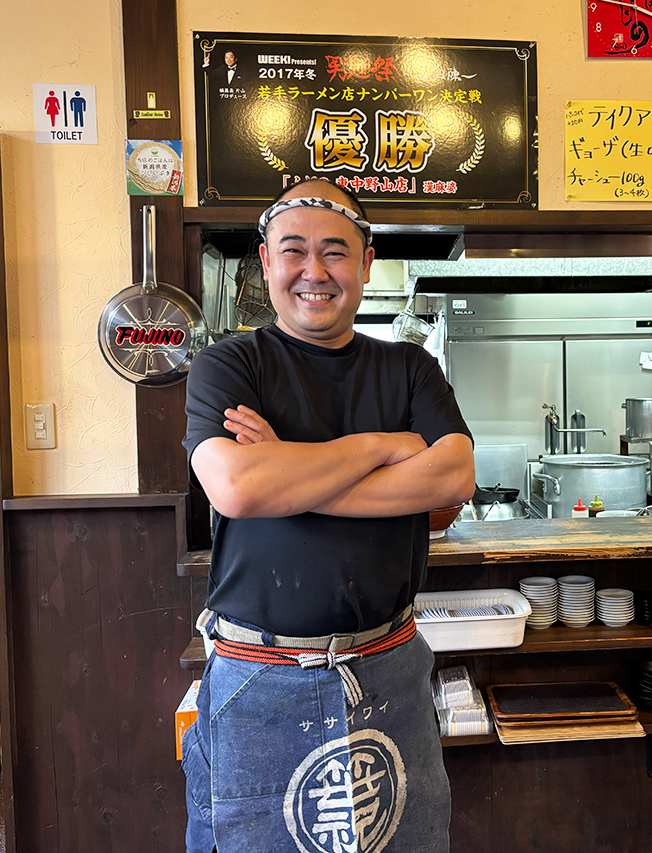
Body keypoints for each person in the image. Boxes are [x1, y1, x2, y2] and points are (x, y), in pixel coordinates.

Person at [180, 179, 474, 852]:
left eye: (335, 252)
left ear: (366, 263)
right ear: (266, 262)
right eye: (294, 251)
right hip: (260, 675)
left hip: (388, 666)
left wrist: (288, 469)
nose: (314, 271)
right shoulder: (229, 366)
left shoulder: (410, 368)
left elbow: (453, 476)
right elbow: (237, 489)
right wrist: (380, 448)